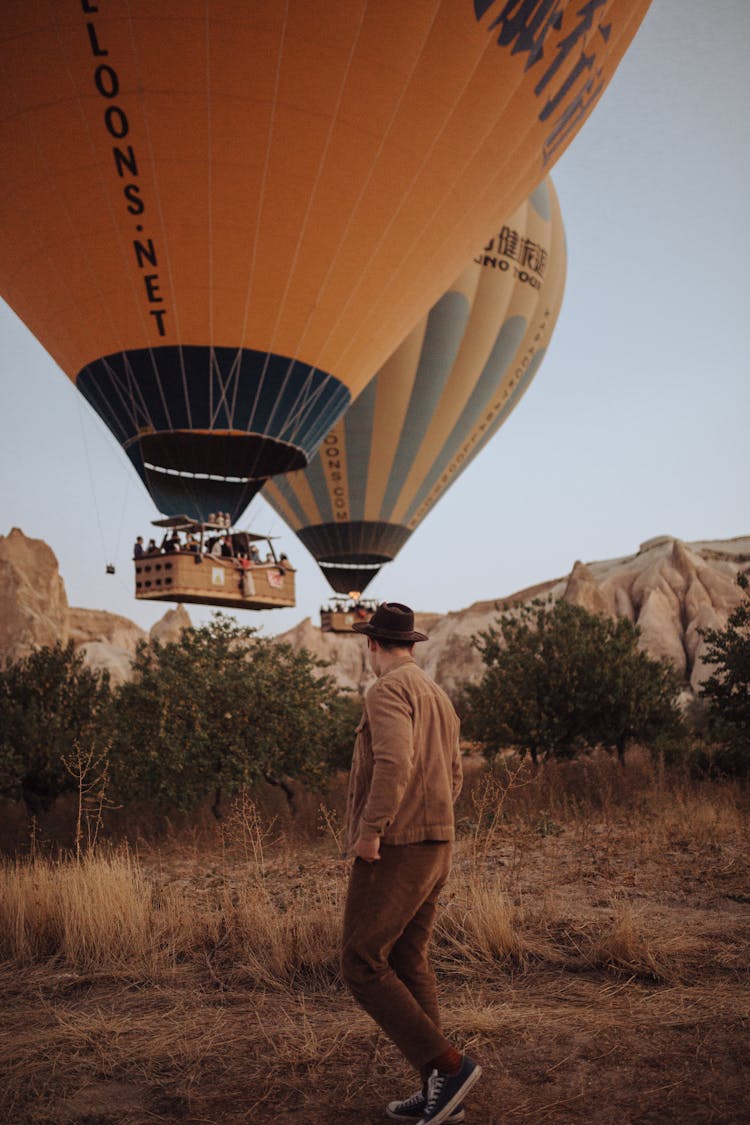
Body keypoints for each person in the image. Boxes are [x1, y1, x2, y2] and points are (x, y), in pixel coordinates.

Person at [341, 602, 481, 1125]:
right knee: (407, 959)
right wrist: (435, 821)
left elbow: (394, 762)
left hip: (398, 846)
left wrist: (371, 832)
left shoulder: (386, 690)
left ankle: (449, 1065)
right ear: (412, 644)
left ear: (372, 644)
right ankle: (440, 1087)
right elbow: (455, 773)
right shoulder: (436, 694)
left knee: (360, 961)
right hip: (437, 842)